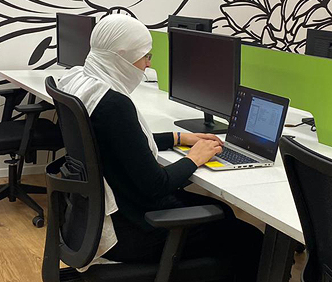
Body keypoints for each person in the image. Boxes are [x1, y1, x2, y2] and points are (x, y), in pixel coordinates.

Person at [57, 14, 263, 280]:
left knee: (221, 212)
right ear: (122, 56)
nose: (148, 64)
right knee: (249, 237)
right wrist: (194, 159)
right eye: (145, 56)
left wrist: (179, 138)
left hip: (93, 219)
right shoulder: (114, 104)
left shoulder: (82, 82)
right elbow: (156, 184)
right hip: (130, 229)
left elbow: (124, 142)